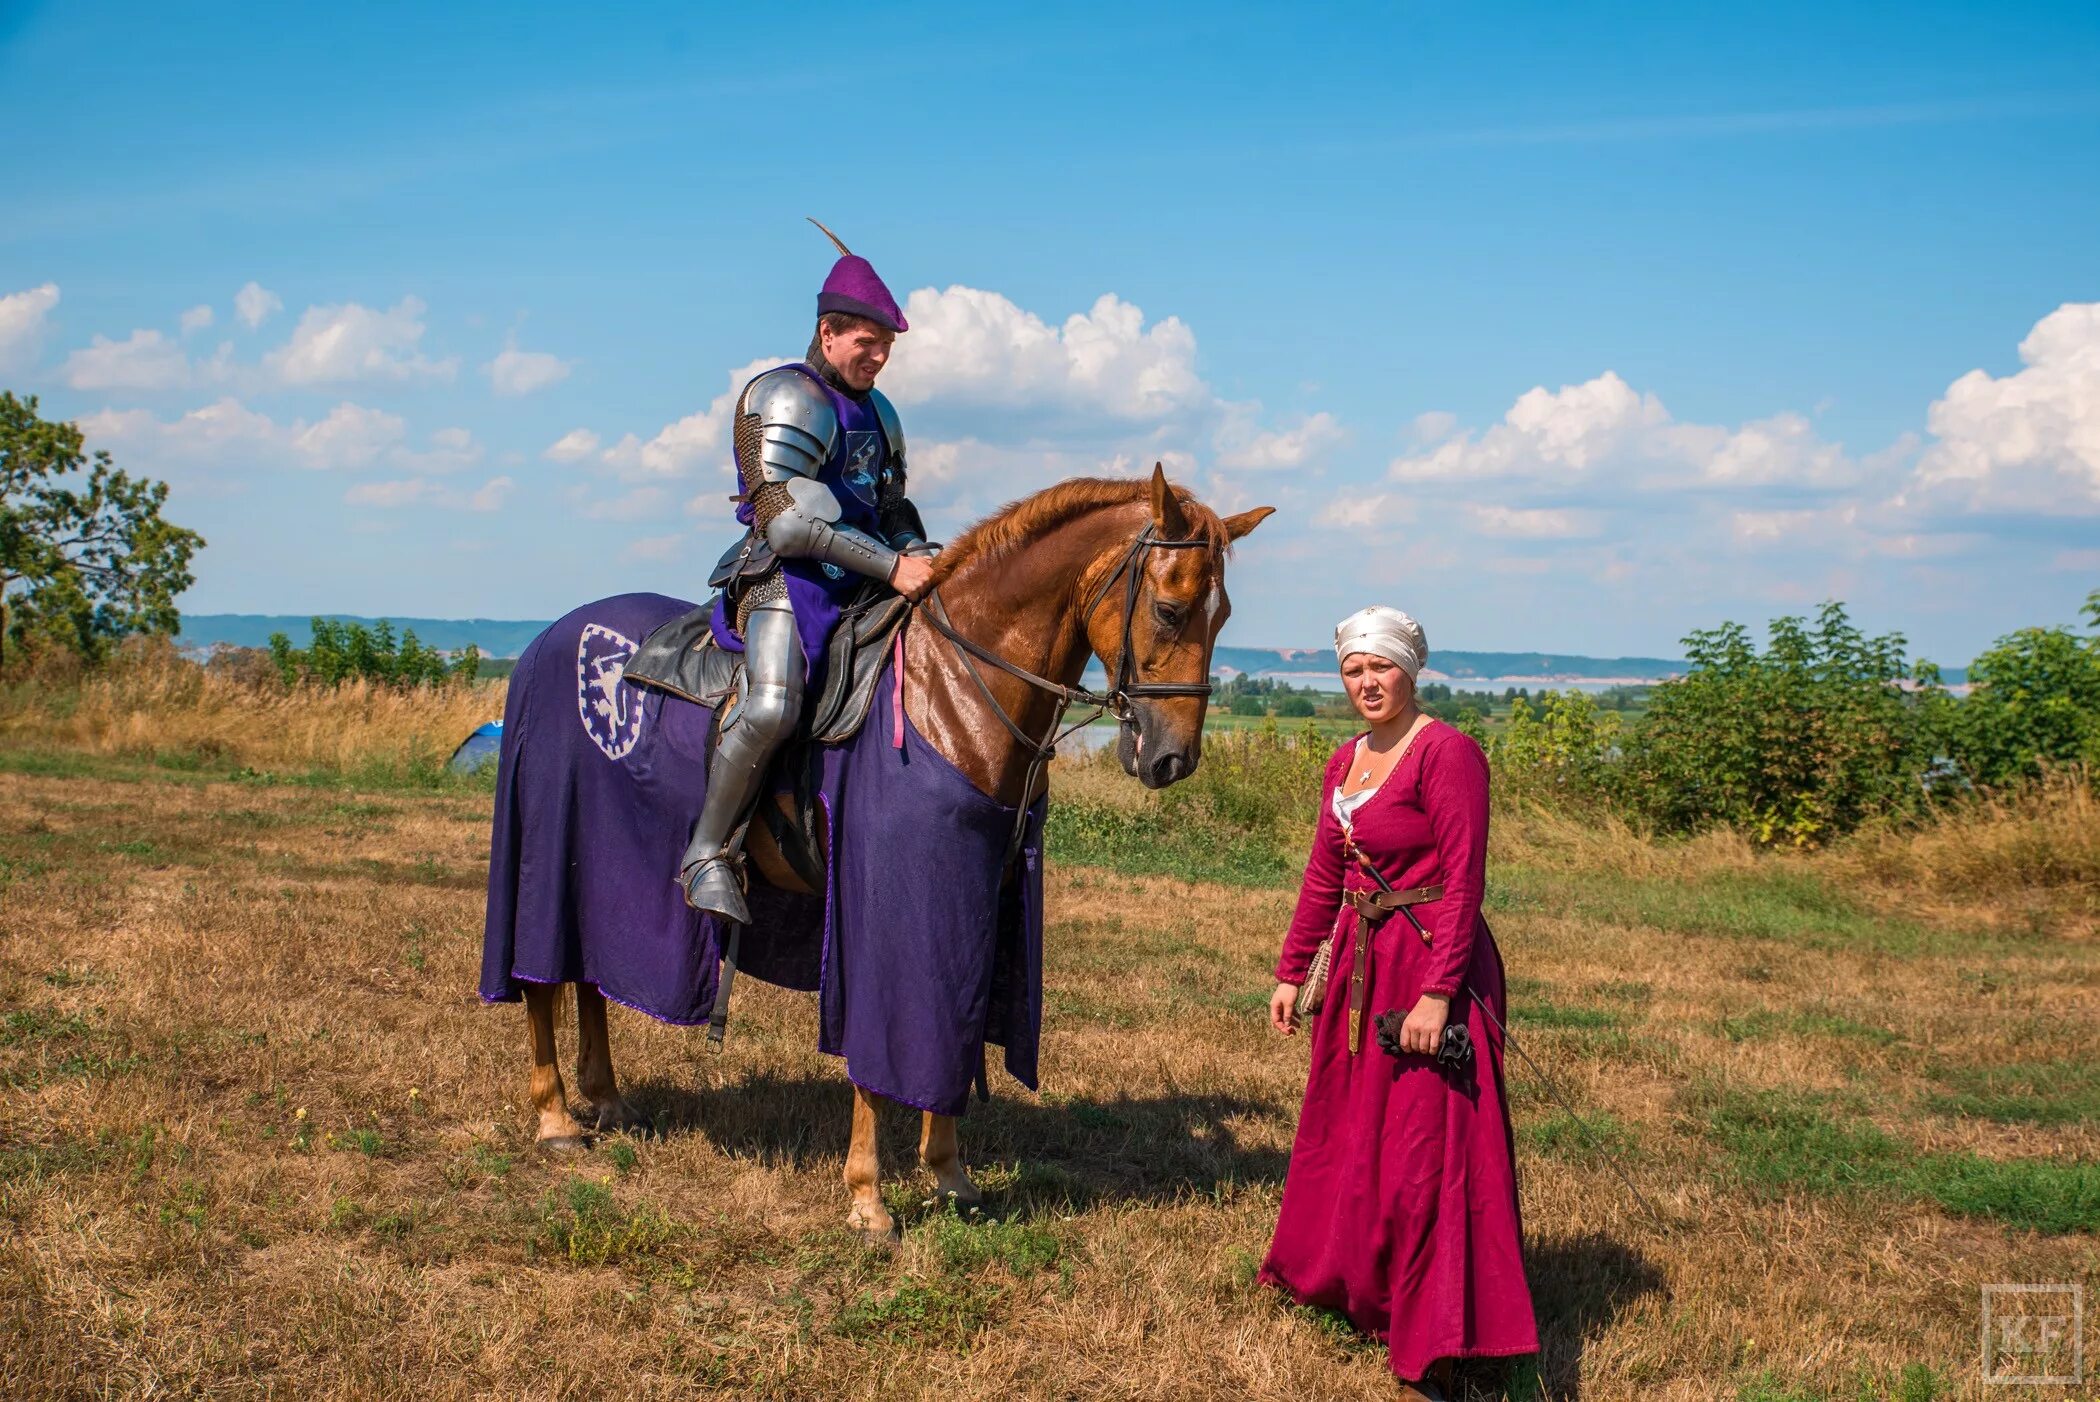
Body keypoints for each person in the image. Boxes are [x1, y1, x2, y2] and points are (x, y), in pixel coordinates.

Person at [1260, 605, 1538, 1399]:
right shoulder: (1346, 760)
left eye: (1380, 667)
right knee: (1353, 1133)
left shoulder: (1447, 754)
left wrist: (1438, 995)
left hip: (1428, 967)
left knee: (1428, 1154)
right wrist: (1292, 971)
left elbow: (1464, 882)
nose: (1366, 683)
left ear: (1411, 671)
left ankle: (1443, 1341)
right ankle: (1362, 1288)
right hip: (1358, 968)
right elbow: (1324, 876)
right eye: (1353, 670)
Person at [679, 221, 939, 924]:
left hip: (862, 575)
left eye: (886, 345)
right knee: (771, 706)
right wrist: (894, 565)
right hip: (785, 576)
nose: (879, 356)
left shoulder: (880, 412)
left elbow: (890, 503)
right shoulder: (788, 397)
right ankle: (707, 850)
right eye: (867, 341)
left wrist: (922, 554)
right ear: (828, 334)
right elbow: (788, 523)